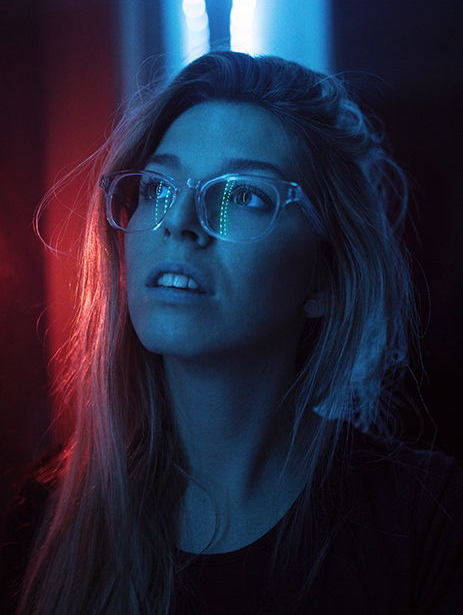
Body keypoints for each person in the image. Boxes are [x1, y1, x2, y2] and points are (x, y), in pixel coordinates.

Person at [1, 50, 463, 614]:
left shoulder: (427, 520)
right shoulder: (43, 514)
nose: (179, 222)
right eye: (157, 188)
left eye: (243, 195)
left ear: (323, 275)